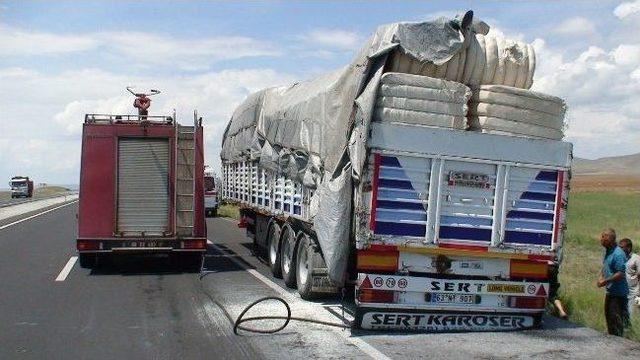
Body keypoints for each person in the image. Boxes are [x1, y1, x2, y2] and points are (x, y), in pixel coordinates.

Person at [597, 228, 629, 336]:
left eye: (603, 237)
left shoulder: (618, 254)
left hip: (618, 296)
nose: (601, 239)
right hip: (611, 293)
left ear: (610, 238)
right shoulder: (608, 252)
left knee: (616, 325)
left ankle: (618, 349)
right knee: (610, 322)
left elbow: (620, 273)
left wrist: (605, 281)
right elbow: (606, 266)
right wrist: (600, 277)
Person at [619, 238, 640, 317]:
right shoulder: (621, 259)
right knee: (624, 315)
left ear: (628, 248)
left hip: (636, 294)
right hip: (624, 294)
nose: (620, 249)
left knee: (636, 314)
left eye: (622, 247)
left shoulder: (636, 259)